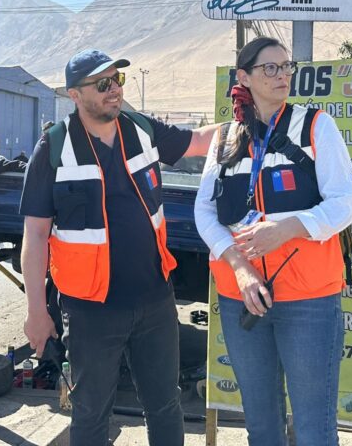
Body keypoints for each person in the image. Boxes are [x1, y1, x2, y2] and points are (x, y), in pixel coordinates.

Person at [21, 49, 217, 446]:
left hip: (154, 300)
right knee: (91, 413)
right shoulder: (54, 147)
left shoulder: (141, 129)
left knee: (165, 406)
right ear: (75, 95)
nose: (114, 90)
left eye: (117, 80)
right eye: (102, 84)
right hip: (90, 310)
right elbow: (36, 236)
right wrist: (36, 312)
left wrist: (255, 119)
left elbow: (199, 141)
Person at [194, 37, 352, 446]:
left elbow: (345, 202)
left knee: (314, 430)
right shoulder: (225, 137)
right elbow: (205, 212)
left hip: (309, 300)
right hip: (242, 297)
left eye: (286, 67)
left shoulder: (316, 125)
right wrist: (240, 268)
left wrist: (288, 229)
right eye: (270, 68)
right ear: (244, 77)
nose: (282, 75)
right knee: (261, 425)